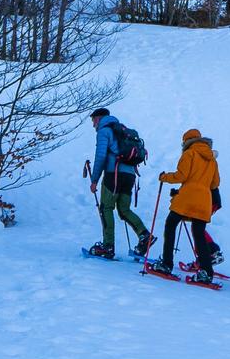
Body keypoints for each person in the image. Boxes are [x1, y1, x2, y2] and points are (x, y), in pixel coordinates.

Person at [83, 106, 152, 258]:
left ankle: (108, 246)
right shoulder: (123, 130)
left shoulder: (104, 131)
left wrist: (94, 180)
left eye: (93, 120)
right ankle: (145, 235)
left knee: (105, 208)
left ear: (99, 118)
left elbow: (100, 156)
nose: (93, 124)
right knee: (124, 209)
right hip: (130, 176)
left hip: (113, 174)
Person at [155, 128, 220, 282]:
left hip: (187, 197)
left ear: (187, 141)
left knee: (170, 225)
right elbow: (215, 183)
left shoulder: (189, 153)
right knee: (199, 234)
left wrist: (164, 177)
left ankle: (166, 264)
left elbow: (181, 176)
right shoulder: (212, 159)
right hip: (204, 200)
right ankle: (206, 272)